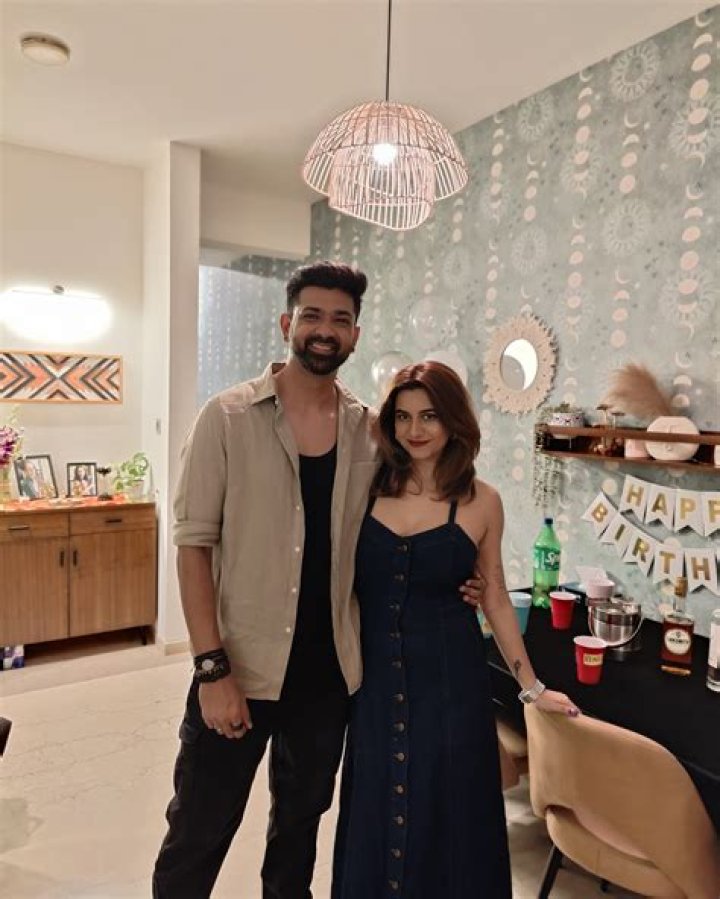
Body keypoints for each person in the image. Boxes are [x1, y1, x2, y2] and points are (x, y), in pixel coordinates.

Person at [332, 361, 579, 899]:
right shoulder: (365, 489)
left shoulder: (482, 501)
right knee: (378, 804)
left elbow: (494, 593)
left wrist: (532, 687)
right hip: (375, 683)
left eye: (429, 416)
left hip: (451, 680)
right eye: (402, 417)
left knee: (447, 813)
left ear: (453, 421)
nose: (414, 430)